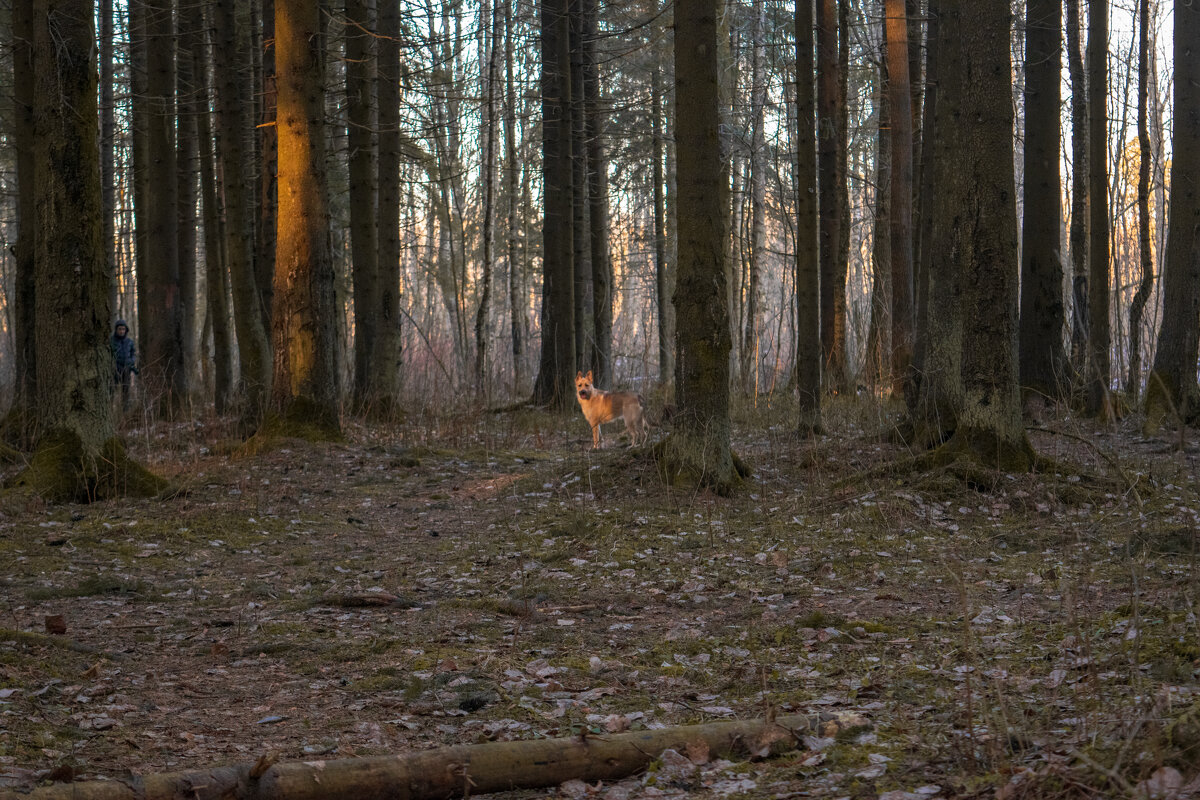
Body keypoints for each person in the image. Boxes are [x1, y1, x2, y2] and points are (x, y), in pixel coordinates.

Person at [111, 319, 138, 410]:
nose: (122, 331)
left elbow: (133, 353)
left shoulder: (129, 342)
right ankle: (110, 409)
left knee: (126, 390)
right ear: (116, 330)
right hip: (115, 369)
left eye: (123, 329)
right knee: (112, 389)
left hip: (126, 369)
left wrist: (131, 361)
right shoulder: (111, 341)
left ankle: (125, 410)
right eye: (120, 329)